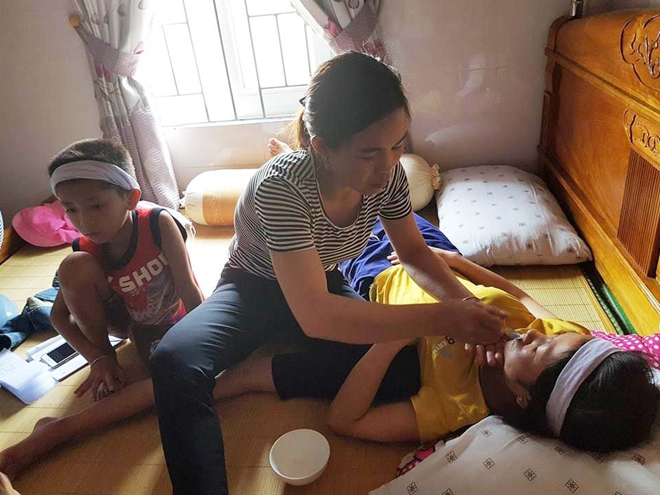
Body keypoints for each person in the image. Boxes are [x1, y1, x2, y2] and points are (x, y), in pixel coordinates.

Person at [148, 51, 507, 494]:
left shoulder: (389, 176)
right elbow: (317, 316)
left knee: (403, 373)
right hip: (254, 285)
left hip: (324, 278)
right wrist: (444, 317)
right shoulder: (283, 186)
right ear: (321, 147)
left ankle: (259, 373)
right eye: (369, 154)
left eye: (398, 145)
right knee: (173, 360)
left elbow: (414, 253)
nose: (388, 166)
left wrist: (468, 307)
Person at [212, 247, 660, 454]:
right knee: (380, 185)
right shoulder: (566, 338)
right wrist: (453, 260)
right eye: (551, 335)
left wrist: (394, 339)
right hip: (428, 254)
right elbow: (519, 296)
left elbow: (345, 420)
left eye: (538, 349)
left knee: (331, 217)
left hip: (376, 273)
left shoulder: (459, 404)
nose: (534, 334)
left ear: (526, 398)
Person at [0, 139, 204, 478]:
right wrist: (99, 358)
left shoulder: (158, 223)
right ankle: (108, 363)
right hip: (137, 328)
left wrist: (202, 340)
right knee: (73, 267)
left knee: (186, 386)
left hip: (181, 320)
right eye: (71, 210)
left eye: (96, 206)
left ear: (131, 198)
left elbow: (190, 289)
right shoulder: (86, 248)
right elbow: (59, 317)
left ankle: (57, 429)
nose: (84, 221)